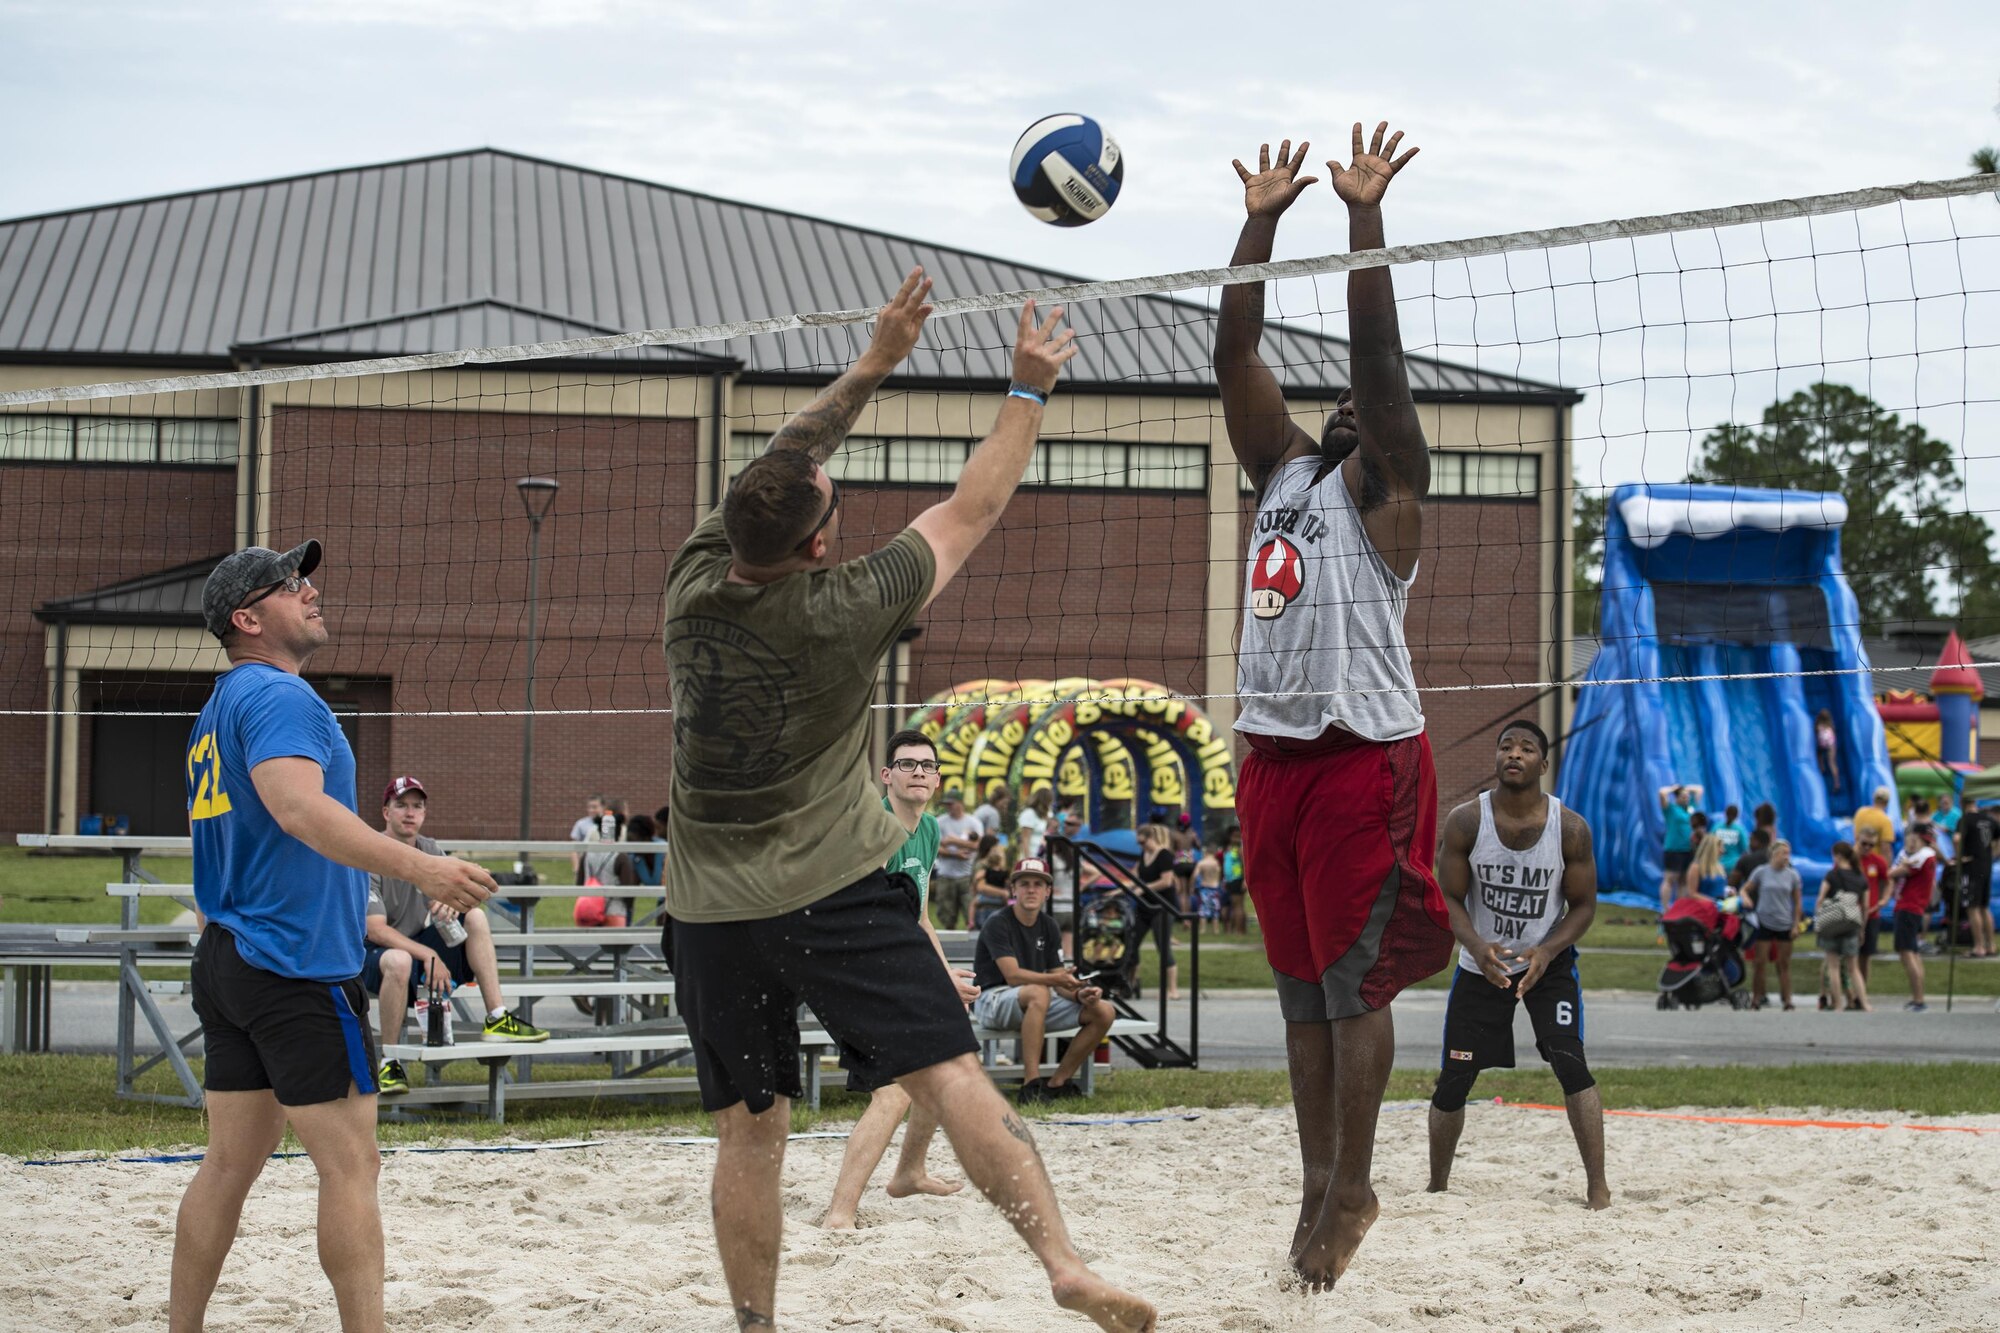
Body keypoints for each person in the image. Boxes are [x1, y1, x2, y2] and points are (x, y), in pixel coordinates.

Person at [661, 271, 1151, 1332]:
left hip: (705, 909)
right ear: (818, 545)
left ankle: (755, 1326)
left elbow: (793, 454)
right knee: (950, 1074)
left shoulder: (691, 580)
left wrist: (877, 360)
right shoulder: (847, 605)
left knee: (751, 1129)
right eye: (832, 504)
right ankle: (1063, 1265)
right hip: (831, 888)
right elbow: (975, 502)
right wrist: (1027, 389)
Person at [1216, 123, 1453, 1290]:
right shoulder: (1283, 473)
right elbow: (1234, 356)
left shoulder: (1391, 494)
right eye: (1342, 407)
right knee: (1300, 995)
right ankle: (1316, 1185)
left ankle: (1353, 1182)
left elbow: (1379, 364)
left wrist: (1361, 218)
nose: (1355, 409)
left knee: (1353, 987)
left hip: (1364, 754)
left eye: (1370, 407)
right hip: (1271, 758)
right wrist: (1260, 222)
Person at [172, 542, 495, 1332]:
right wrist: (424, 870)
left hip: (231, 958)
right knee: (353, 1166)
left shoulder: (216, 711)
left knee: (227, 1165)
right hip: (293, 965)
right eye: (290, 584)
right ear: (248, 617)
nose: (311, 589)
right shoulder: (280, 699)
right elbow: (299, 811)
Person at [1428, 719, 1608, 1210]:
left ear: (1543, 765)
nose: (1514, 753)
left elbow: (1585, 906)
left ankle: (1597, 1188)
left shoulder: (1569, 828)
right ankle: (1438, 1187)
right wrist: (1475, 944)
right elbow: (1448, 897)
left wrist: (1548, 950)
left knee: (1571, 1065)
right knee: (1455, 1077)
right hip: (1481, 966)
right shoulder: (1467, 821)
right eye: (1506, 746)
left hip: (1545, 964)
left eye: (1527, 748)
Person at [820, 730, 979, 1231]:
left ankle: (909, 1171)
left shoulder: (928, 830)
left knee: (947, 1054)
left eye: (927, 766)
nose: (918, 773)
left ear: (937, 779)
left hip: (888, 965)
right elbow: (861, 920)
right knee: (893, 1092)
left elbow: (921, 917)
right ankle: (839, 1215)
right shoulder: (875, 829)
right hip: (845, 968)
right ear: (886, 776)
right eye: (907, 765)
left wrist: (943, 974)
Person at [364, 776, 549, 1093]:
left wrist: (453, 901)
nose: (410, 813)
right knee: (398, 959)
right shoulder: (370, 854)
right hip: (374, 958)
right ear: (386, 812)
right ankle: (389, 1063)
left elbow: (477, 880)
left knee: (474, 916)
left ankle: (497, 1017)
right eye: (401, 805)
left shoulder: (430, 849)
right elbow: (376, 930)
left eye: (417, 806)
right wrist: (428, 954)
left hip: (418, 953)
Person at [971, 857, 1117, 1103]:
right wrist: (1056, 980)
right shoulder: (998, 922)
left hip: (1033, 1001)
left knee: (1104, 1011)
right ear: (1013, 889)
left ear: (1048, 892)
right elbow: (1013, 975)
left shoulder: (1049, 925)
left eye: (1038, 884)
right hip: (991, 1000)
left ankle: (1056, 1083)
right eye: (1024, 883)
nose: (1031, 889)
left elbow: (1057, 979)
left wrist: (1079, 994)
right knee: (1039, 992)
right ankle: (1031, 1086)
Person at [1743, 839, 1804, 1011]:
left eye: (1788, 853)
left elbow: (1797, 902)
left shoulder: (1792, 875)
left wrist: (1795, 925)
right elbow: (1745, 889)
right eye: (1783, 853)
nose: (1786, 857)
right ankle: (1756, 998)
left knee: (1783, 963)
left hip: (1784, 922)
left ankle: (1787, 999)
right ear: (1773, 854)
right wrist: (1746, 897)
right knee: (1760, 962)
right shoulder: (1761, 872)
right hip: (1764, 922)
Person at [1889, 824, 1939, 1012]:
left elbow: (1894, 872)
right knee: (1914, 953)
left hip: (1909, 907)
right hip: (1914, 908)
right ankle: (1918, 997)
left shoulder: (1924, 855)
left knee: (1907, 953)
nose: (1910, 843)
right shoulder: (1926, 855)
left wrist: (1899, 866)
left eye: (1913, 839)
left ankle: (1919, 999)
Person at [1816, 841, 1871, 1013]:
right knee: (1853, 968)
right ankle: (1864, 1003)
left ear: (1838, 856)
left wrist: (1820, 915)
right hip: (1851, 925)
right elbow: (1866, 906)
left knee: (1833, 966)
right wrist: (1862, 928)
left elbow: (1820, 899)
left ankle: (1838, 1004)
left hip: (1832, 924)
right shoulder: (1861, 877)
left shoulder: (1832, 875)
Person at [1133, 822, 1181, 1000]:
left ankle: (1173, 989)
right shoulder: (1144, 854)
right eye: (1139, 843)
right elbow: (1135, 877)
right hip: (1144, 907)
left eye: (1143, 842)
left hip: (1162, 907)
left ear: (1151, 838)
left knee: (1163, 948)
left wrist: (1144, 888)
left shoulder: (1164, 855)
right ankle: (1133, 981)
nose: (1141, 845)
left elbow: (1167, 881)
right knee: (1132, 942)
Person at [931, 790, 983, 931]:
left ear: (960, 803)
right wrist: (956, 854)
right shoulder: (939, 822)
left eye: (951, 804)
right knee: (946, 914)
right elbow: (934, 846)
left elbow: (979, 845)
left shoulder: (973, 822)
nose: (948, 807)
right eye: (946, 804)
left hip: (967, 875)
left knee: (970, 913)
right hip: (945, 874)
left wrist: (953, 841)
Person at [1657, 784, 1703, 917]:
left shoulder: (1691, 808)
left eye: (1687, 797)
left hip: (1688, 850)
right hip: (1673, 849)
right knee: (1670, 879)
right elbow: (1661, 792)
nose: (1686, 798)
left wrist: (1686, 789)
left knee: (1683, 880)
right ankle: (1665, 909)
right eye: (1683, 796)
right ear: (1677, 797)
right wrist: (1674, 788)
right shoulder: (1670, 809)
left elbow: (1700, 789)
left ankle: (1679, 908)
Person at [1855, 825, 1892, 990]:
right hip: (1851, 913)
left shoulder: (1877, 861)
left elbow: (1889, 880)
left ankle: (1862, 991)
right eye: (1864, 844)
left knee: (1865, 956)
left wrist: (1884, 898)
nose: (1867, 848)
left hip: (1871, 914)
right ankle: (1851, 992)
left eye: (1871, 845)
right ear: (1858, 840)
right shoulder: (1850, 860)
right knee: (1850, 956)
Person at [1960, 797, 1996, 958]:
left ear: (1962, 803)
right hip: (1987, 865)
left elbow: (1956, 839)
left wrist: (1959, 856)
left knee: (1972, 907)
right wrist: (1993, 855)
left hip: (1972, 866)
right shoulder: (1989, 819)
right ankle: (1991, 945)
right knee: (1984, 906)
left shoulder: (1965, 819)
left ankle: (1979, 947)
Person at [973, 833, 1012, 928]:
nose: (1001, 848)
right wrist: (1003, 893)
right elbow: (981, 887)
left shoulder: (1000, 867)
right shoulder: (983, 866)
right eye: (997, 846)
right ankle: (971, 922)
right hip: (986, 905)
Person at [1220, 825, 1248, 936]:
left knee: (1238, 906)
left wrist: (1245, 880)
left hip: (1237, 878)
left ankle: (1240, 930)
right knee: (1235, 905)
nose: (1235, 839)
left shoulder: (1239, 849)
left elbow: (1245, 864)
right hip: (1231, 879)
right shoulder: (1229, 849)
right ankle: (1238, 929)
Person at [570, 793, 605, 882]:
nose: (591, 810)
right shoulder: (581, 824)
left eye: (594, 807)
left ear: (602, 807)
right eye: (589, 807)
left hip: (604, 866)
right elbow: (574, 849)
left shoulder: (608, 823)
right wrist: (576, 870)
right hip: (586, 865)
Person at [1682, 831, 1726, 902]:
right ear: (1711, 849)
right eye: (1720, 847)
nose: (1723, 850)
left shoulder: (1720, 866)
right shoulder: (1696, 867)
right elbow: (1692, 894)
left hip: (1720, 907)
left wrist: (1728, 891)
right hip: (1702, 907)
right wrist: (1713, 901)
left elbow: (1719, 888)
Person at [1853, 786, 1896, 854]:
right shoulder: (1885, 820)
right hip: (1873, 861)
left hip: (1857, 856)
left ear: (1873, 798)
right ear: (1887, 802)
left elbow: (1855, 836)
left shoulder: (1860, 812)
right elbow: (1886, 848)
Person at [1016, 787, 1054, 861]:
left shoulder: (1046, 814)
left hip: (1042, 855)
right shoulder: (1029, 813)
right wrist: (1028, 859)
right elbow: (1025, 838)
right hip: (1031, 855)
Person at [1729, 827, 1771, 893]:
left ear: (1756, 841)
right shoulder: (1777, 860)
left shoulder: (1746, 859)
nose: (1749, 844)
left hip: (1750, 900)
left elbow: (1732, 882)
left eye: (1750, 840)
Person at [1712, 804, 1747, 879]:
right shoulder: (1739, 830)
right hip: (1733, 866)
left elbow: (1709, 844)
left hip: (1717, 865)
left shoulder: (1716, 827)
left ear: (1725, 813)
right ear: (1737, 816)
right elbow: (1745, 848)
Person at [1815, 708, 1841, 795]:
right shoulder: (1830, 725)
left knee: (1819, 753)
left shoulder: (1818, 725)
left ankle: (1822, 767)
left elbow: (1817, 735)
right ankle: (1837, 782)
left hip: (1822, 745)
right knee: (1832, 763)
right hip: (1831, 745)